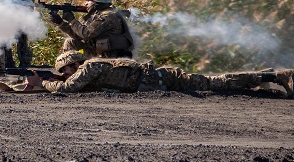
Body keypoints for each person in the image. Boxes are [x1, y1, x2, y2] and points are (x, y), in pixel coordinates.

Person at [27, 51, 294, 98]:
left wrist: (46, 83)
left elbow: (68, 89)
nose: (66, 73)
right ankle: (267, 78)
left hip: (163, 79)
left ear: (74, 64)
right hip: (158, 78)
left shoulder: (90, 66)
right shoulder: (90, 68)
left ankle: (272, 76)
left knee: (217, 83)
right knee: (217, 83)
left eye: (66, 69)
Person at [47, 0, 134, 59]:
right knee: (70, 42)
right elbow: (78, 35)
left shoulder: (108, 16)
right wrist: (61, 23)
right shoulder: (94, 16)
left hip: (111, 57)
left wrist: (72, 20)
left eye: (88, 0)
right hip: (98, 53)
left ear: (97, 0)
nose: (85, 4)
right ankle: (68, 70)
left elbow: (86, 34)